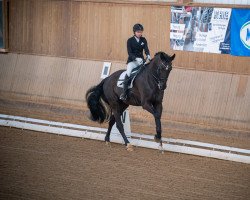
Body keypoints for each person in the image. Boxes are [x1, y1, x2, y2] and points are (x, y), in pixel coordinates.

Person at [120, 23, 151, 101]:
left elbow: (146, 49)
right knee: (128, 72)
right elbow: (129, 53)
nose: (140, 33)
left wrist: (148, 54)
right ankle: (124, 93)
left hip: (141, 61)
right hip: (132, 61)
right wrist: (136, 58)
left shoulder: (143, 40)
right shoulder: (130, 41)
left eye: (141, 32)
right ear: (134, 32)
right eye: (138, 32)